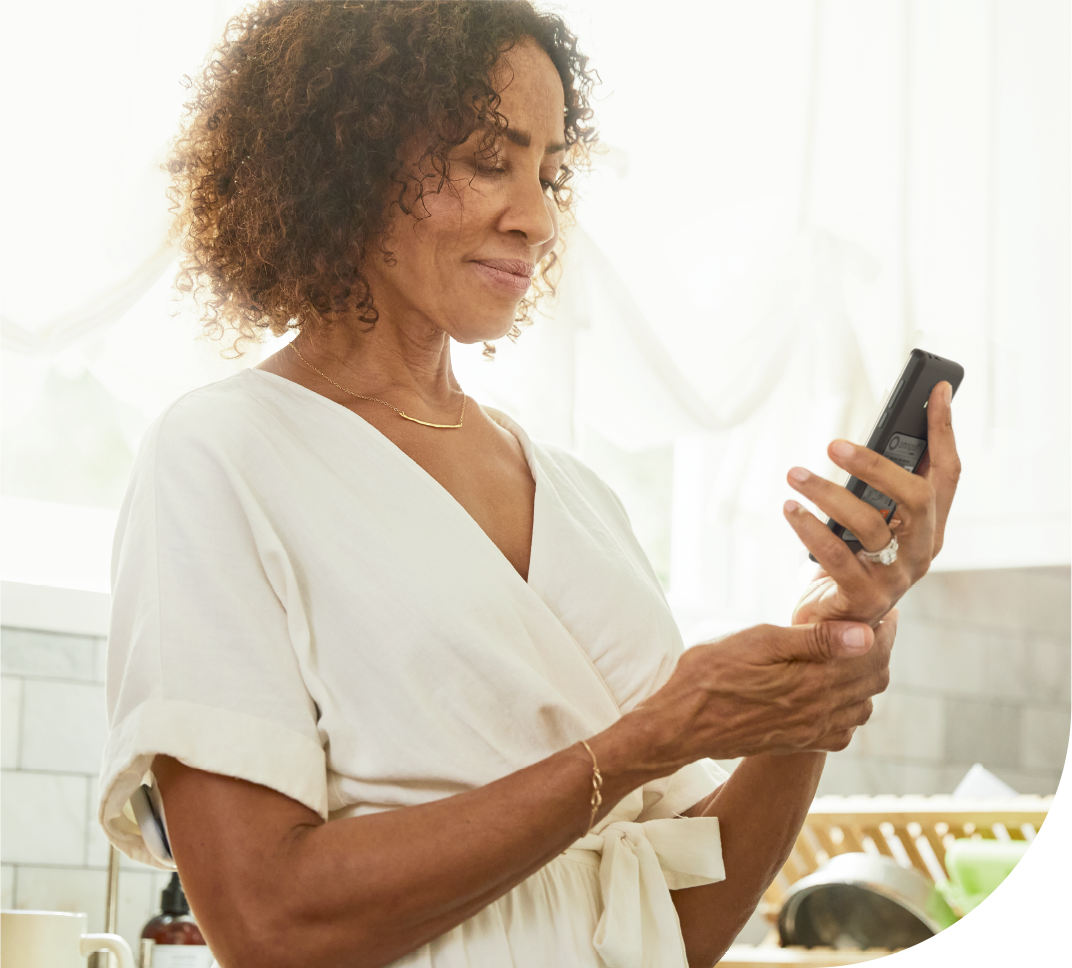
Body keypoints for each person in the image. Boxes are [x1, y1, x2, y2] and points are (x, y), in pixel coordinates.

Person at [98, 2, 960, 967]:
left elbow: (679, 928)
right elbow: (268, 922)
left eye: (550, 172)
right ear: (343, 159)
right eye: (485, 159)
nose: (539, 218)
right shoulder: (224, 452)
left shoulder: (581, 500)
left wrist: (817, 670)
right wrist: (646, 741)